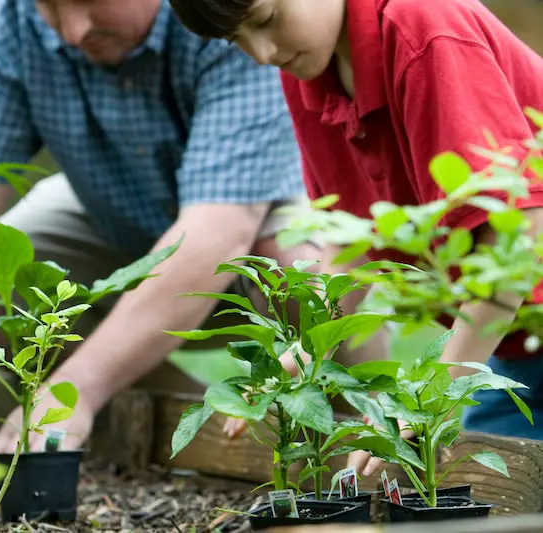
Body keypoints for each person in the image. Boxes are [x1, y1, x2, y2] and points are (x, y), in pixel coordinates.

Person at [0, 0, 336, 455]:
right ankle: (152, 407)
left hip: (254, 207)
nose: (71, 32)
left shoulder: (225, 14)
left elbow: (217, 233)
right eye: (50, 8)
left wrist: (76, 390)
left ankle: (371, 428)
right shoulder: (8, 18)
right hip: (108, 204)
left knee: (305, 277)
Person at [167, 0, 543, 475]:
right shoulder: (311, 70)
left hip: (517, 324)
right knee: (489, 489)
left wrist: (428, 399)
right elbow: (354, 238)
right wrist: (303, 357)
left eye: (265, 20)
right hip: (518, 347)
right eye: (235, 39)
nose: (261, 53)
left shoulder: (421, 27)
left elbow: (519, 233)